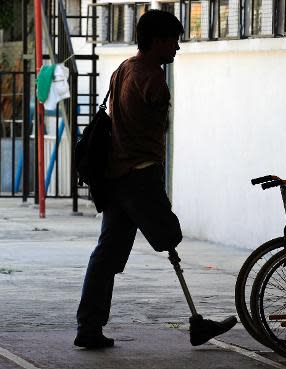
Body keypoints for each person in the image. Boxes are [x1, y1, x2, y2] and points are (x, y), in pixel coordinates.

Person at [74, 10, 236, 349]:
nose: (177, 48)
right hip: (140, 177)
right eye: (173, 41)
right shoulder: (153, 79)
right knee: (168, 236)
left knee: (107, 255)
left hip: (117, 177)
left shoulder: (123, 69)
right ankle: (196, 323)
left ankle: (89, 327)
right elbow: (156, 119)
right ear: (158, 41)